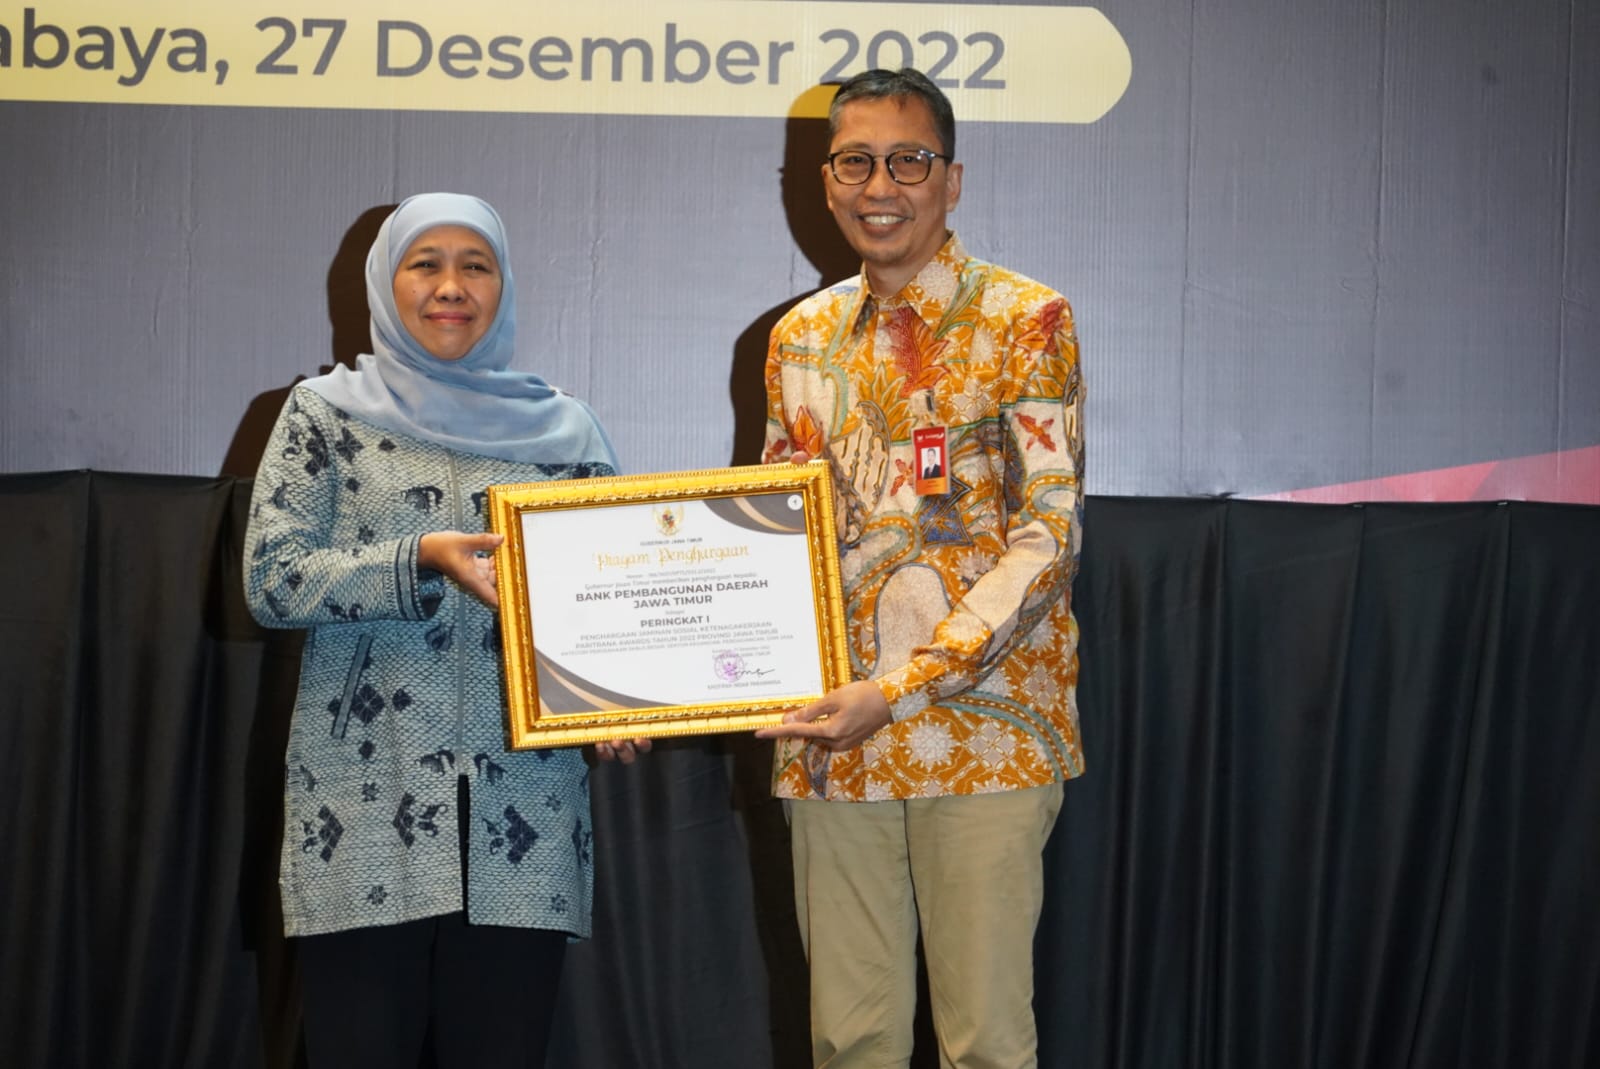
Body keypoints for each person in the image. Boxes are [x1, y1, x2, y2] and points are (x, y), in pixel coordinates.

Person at [244, 192, 644, 1068]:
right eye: (425, 264)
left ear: (504, 284)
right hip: (361, 811)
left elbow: (604, 603)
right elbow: (271, 578)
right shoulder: (323, 415)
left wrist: (613, 703)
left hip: (525, 816)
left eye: (476, 265)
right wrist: (418, 557)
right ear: (386, 284)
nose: (451, 286)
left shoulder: (566, 434)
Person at [756, 68, 1085, 1067]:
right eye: (854, 162)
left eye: (908, 161)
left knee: (984, 1042)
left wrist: (900, 688)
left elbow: (1047, 537)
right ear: (824, 181)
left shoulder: (1026, 320)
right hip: (831, 735)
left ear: (951, 179)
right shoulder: (798, 340)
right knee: (846, 1038)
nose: (879, 186)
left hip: (985, 733)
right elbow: (773, 537)